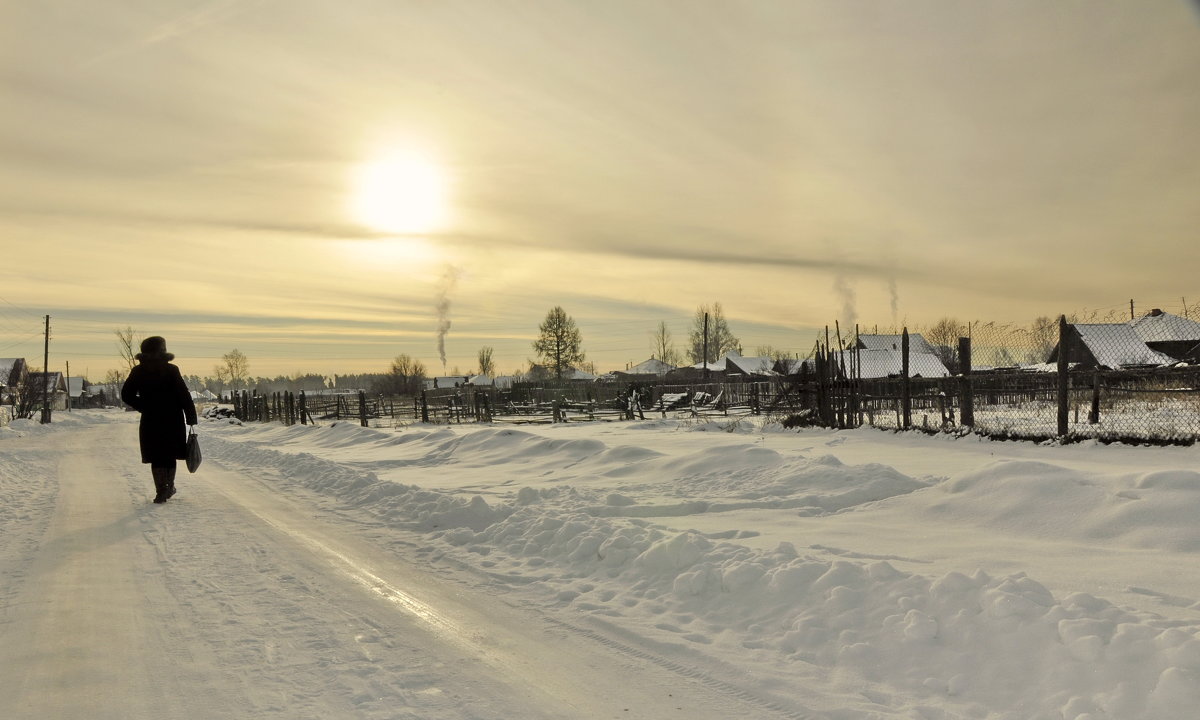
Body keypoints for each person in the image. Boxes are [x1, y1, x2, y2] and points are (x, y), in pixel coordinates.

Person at [121, 336, 198, 503]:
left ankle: (161, 490)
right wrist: (191, 417)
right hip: (173, 418)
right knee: (169, 454)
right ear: (161, 350)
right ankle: (169, 487)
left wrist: (144, 406)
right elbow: (183, 395)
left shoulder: (138, 371)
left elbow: (126, 395)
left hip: (151, 419)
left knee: (156, 455)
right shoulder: (171, 370)